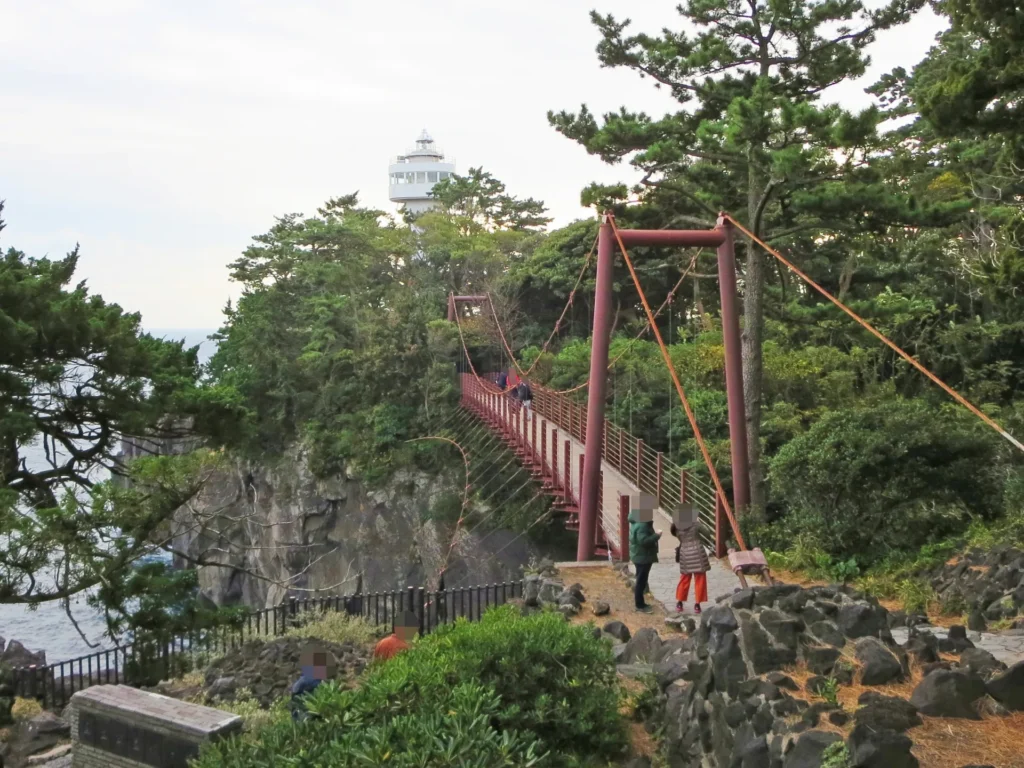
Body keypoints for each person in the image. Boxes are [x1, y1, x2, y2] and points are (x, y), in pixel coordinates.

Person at [671, 514, 711, 614]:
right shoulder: (696, 524)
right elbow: (707, 533)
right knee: (700, 580)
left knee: (684, 579)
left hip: (685, 554)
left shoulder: (676, 526)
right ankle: (697, 605)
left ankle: (679, 603)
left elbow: (677, 536)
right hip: (698, 553)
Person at [628, 504, 661, 612]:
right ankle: (640, 605)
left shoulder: (636, 521)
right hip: (643, 556)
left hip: (639, 555)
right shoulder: (642, 525)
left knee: (641, 579)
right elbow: (644, 541)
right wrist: (657, 535)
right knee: (641, 581)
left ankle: (641, 602)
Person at [290, 644, 336, 721]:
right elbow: (295, 690)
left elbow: (294, 689)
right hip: (305, 711)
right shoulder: (308, 679)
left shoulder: (314, 679)